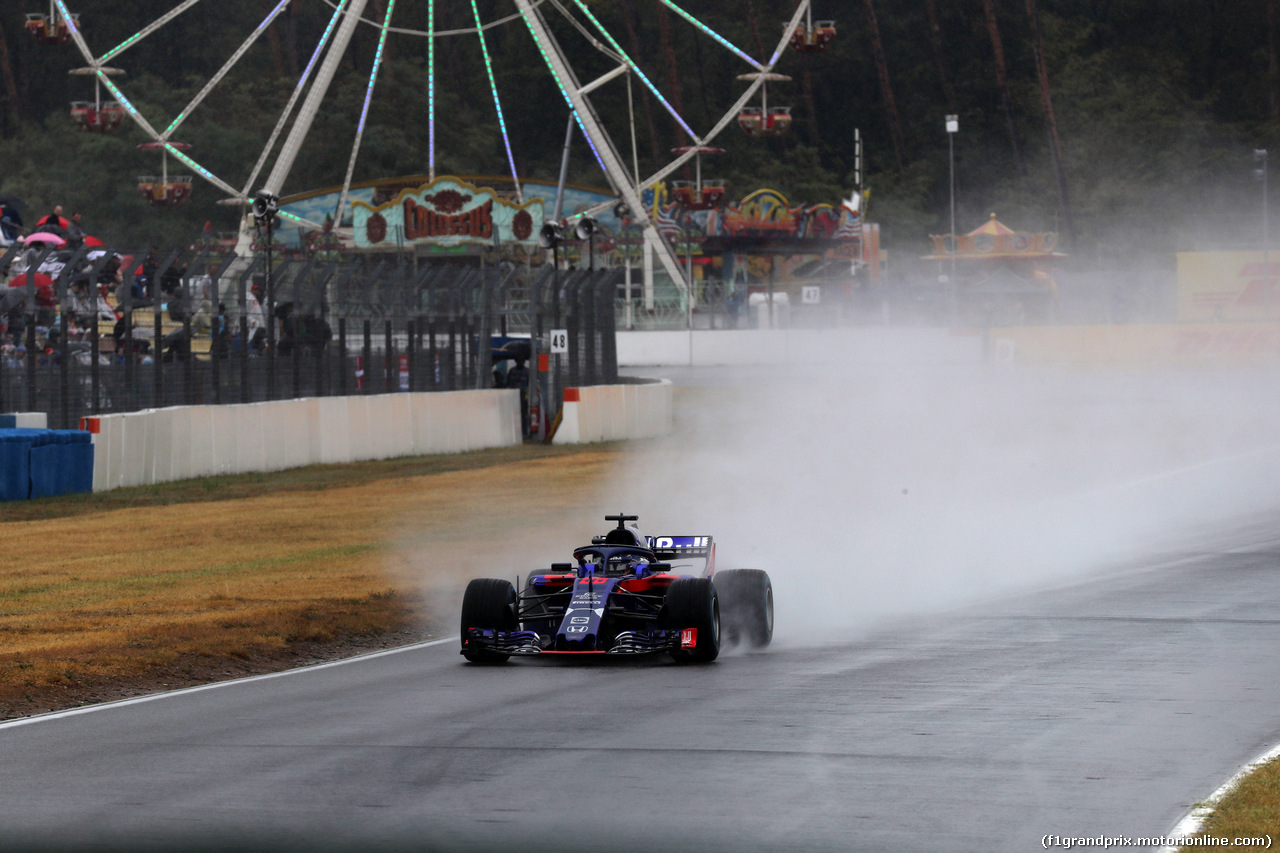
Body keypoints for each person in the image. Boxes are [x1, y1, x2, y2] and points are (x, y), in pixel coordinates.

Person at [505, 356, 530, 436]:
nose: (520, 362)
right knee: (513, 412)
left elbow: (530, 384)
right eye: (519, 360)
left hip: (523, 395)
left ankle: (524, 432)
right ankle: (514, 432)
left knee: (524, 413)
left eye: (522, 360)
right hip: (513, 395)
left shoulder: (527, 371)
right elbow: (508, 383)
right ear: (516, 361)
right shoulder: (512, 371)